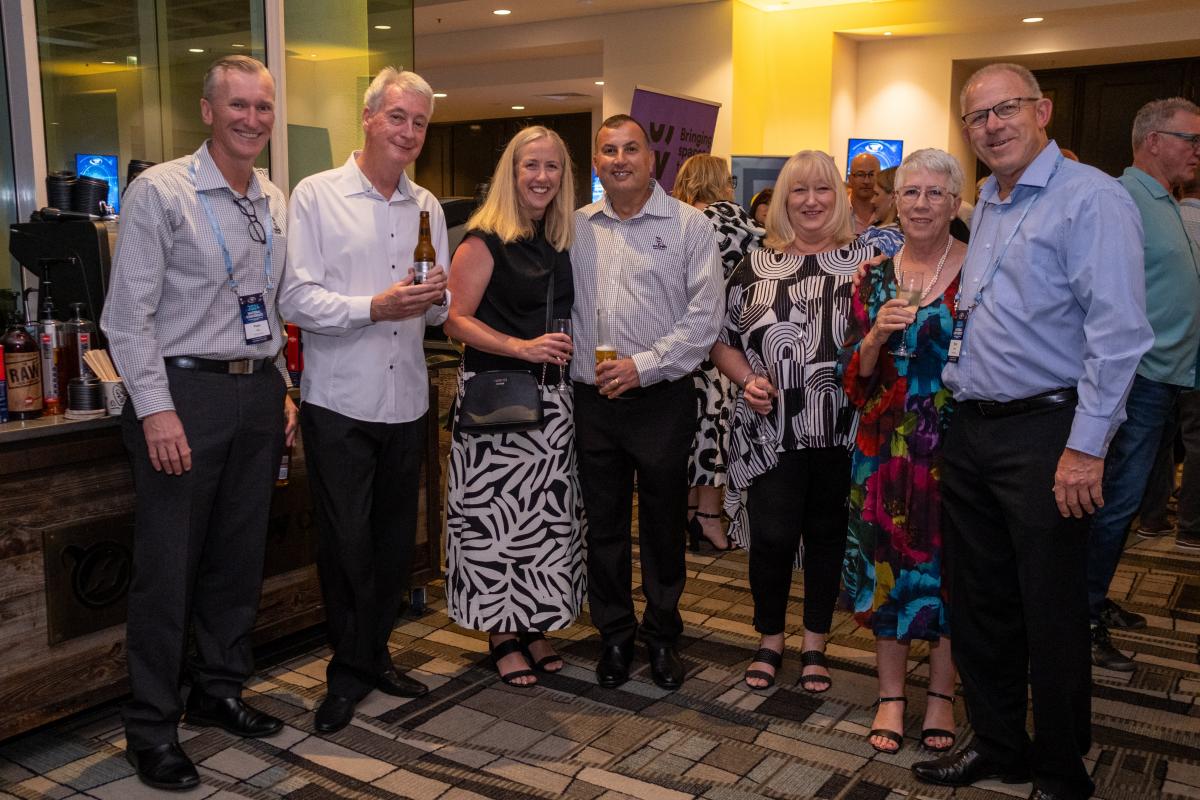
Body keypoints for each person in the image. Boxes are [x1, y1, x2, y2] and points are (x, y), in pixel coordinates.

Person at [911, 63, 1152, 800]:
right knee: (980, 602)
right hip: (974, 427)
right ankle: (999, 745)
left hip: (1049, 432)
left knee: (1049, 608)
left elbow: (1118, 334)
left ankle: (1060, 767)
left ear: (1042, 111)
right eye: (977, 117)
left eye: (1006, 109)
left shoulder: (1092, 198)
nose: (992, 126)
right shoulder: (990, 200)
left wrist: (1085, 446)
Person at [102, 55, 297, 791]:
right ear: (208, 111)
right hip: (183, 394)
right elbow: (128, 317)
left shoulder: (271, 197)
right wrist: (155, 409)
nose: (252, 118)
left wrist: (282, 388)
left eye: (263, 107)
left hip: (256, 390)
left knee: (237, 558)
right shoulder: (161, 191)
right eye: (237, 105)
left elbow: (266, 305)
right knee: (168, 570)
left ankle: (219, 689)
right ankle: (151, 728)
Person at [279, 67, 448, 734]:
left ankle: (374, 656)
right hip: (340, 402)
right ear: (369, 117)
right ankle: (347, 673)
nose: (408, 131)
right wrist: (373, 306)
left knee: (392, 546)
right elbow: (296, 298)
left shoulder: (427, 206)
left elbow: (439, 312)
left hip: (407, 401)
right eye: (398, 117)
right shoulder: (317, 195)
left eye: (419, 122)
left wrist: (435, 300)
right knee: (345, 546)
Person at [570, 114, 723, 691]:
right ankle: (614, 635)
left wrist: (643, 366)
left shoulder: (689, 226)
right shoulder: (576, 227)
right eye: (608, 150)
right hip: (593, 401)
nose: (619, 160)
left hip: (661, 399)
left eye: (630, 148)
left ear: (651, 158)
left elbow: (704, 319)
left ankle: (662, 635)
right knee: (603, 527)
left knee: (662, 525)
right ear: (597, 162)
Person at [709, 150, 865, 694]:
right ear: (782, 201)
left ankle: (815, 642)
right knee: (772, 538)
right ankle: (770, 638)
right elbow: (721, 342)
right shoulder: (754, 264)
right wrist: (746, 378)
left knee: (827, 536)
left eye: (823, 189)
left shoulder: (867, 264)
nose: (811, 201)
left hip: (843, 429)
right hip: (770, 430)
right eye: (799, 190)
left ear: (839, 197)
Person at [442, 125, 584, 687]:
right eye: (531, 165)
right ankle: (501, 633)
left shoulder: (560, 238)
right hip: (496, 404)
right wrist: (520, 347)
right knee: (494, 522)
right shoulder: (484, 239)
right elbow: (454, 319)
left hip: (553, 403)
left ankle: (535, 624)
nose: (542, 177)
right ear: (512, 172)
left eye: (552, 166)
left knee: (545, 523)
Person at [840, 149, 966, 753]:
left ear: (955, 202)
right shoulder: (873, 274)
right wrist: (875, 336)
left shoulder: (978, 268)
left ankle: (942, 695)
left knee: (953, 572)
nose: (921, 204)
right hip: (884, 446)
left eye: (935, 193)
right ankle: (890, 696)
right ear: (895, 200)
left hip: (956, 447)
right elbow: (854, 376)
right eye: (911, 192)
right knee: (887, 568)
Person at [1085, 97, 1200, 672]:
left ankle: (1093, 597)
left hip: (1165, 378)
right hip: (1137, 381)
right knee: (1113, 504)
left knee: (1124, 504)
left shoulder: (1164, 201)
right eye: (1190, 139)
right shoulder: (1122, 199)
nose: (1197, 151)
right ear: (1153, 141)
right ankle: (1080, 617)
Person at [672, 154, 764, 552]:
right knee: (714, 429)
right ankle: (708, 516)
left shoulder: (680, 221)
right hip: (725, 342)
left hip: (683, 342)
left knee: (691, 431)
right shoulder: (740, 222)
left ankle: (693, 512)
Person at [858, 166, 904, 257]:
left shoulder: (880, 238)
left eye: (876, 194)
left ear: (893, 196)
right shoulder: (907, 233)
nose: (872, 200)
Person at [848, 152, 881, 235]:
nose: (866, 181)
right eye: (860, 175)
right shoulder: (837, 213)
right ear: (850, 179)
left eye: (871, 174)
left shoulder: (888, 215)